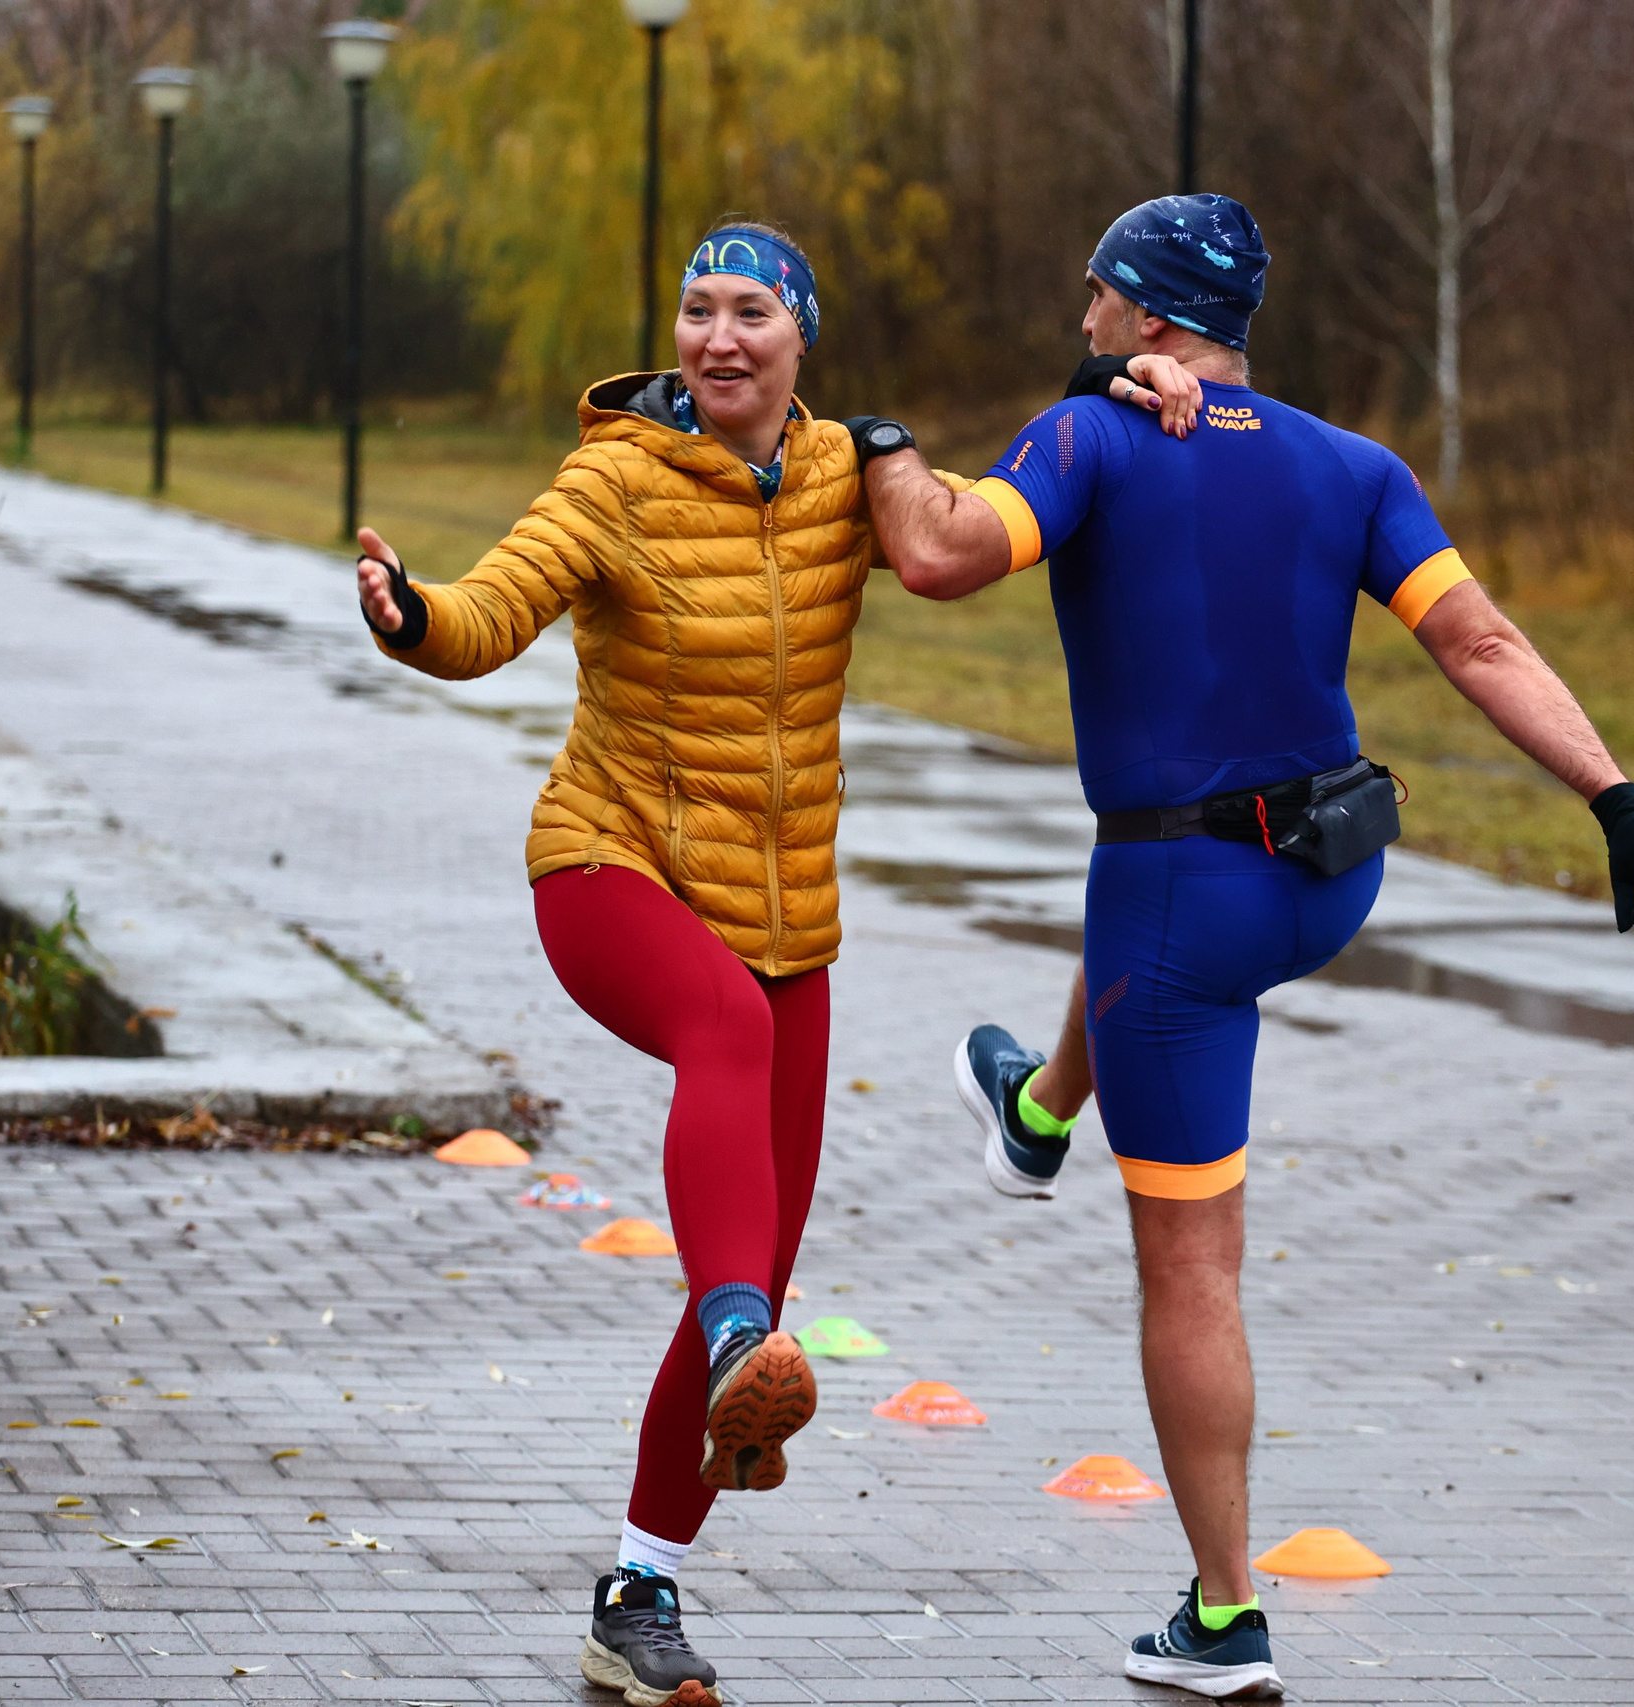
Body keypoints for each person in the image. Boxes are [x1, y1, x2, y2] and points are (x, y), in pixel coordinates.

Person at [353, 219, 1204, 1707]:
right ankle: (742, 1325)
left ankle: (639, 1589)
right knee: (724, 1063)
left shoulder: (844, 473)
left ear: (801, 335)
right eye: (696, 311)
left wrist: (1129, 392)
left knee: (745, 1278)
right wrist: (412, 615)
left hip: (785, 918)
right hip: (607, 867)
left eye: (751, 311)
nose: (718, 337)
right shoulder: (614, 474)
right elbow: (494, 610)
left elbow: (999, 511)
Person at [858, 194, 1634, 1699]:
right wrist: (1615, 798)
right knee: (1146, 955)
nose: (1085, 315)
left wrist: (884, 444)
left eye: (1100, 293)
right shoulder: (1354, 466)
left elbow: (941, 556)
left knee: (1192, 1266)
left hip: (1181, 899)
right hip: (1324, 878)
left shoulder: (1094, 439)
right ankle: (1040, 1112)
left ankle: (1226, 1617)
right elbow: (1480, 643)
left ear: (1153, 314)